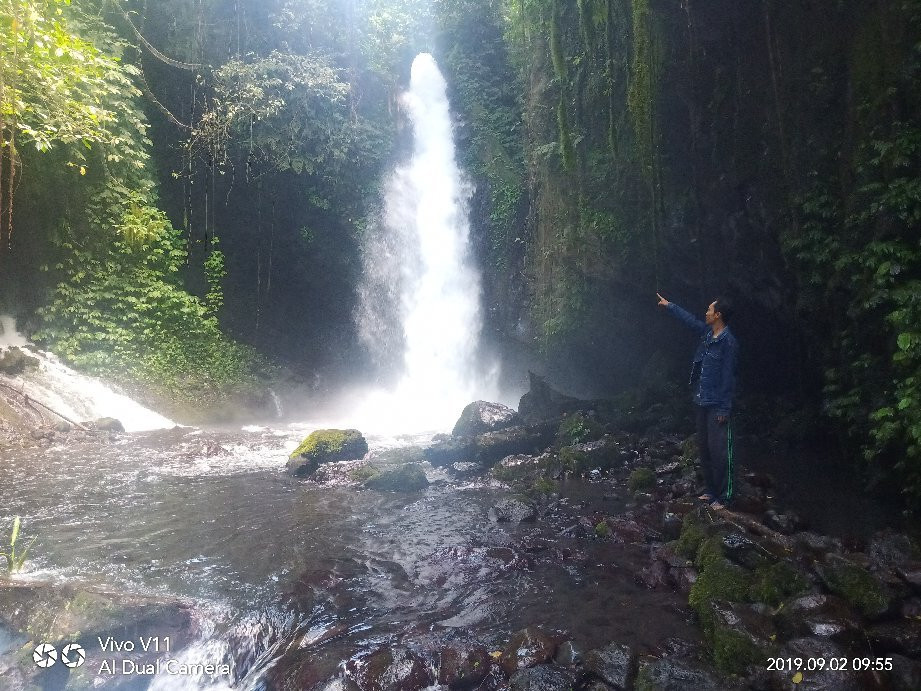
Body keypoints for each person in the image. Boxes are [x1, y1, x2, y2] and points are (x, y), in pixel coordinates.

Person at [657, 293, 738, 510]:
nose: (706, 313)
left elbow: (728, 377)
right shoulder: (706, 334)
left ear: (718, 315)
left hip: (716, 404)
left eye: (710, 310)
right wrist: (670, 306)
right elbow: (690, 321)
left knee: (720, 451)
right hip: (701, 399)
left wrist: (724, 408)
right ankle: (711, 490)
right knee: (704, 448)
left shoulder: (727, 342)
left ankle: (724, 496)